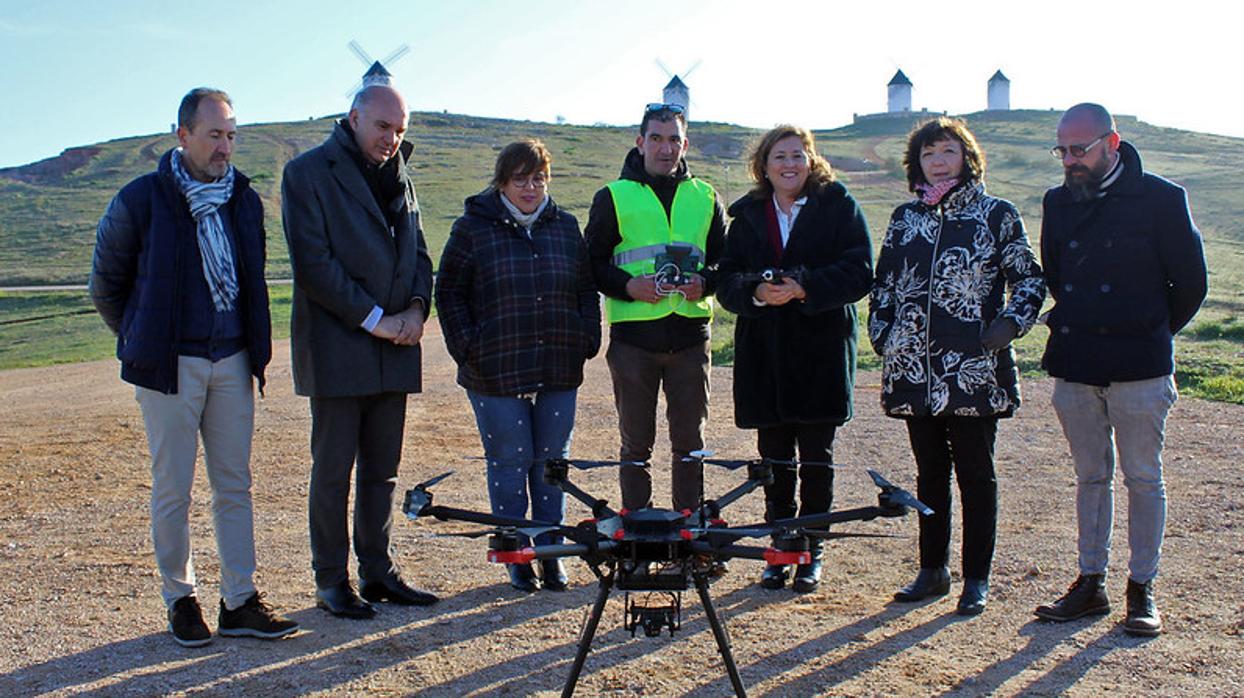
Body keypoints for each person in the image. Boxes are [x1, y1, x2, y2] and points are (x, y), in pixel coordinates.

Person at [89, 87, 298, 647]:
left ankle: (240, 601)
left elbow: (251, 281)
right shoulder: (141, 199)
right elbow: (106, 284)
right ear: (182, 136)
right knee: (173, 488)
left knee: (235, 484)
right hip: (169, 365)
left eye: (231, 135)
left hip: (231, 358)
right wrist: (143, 337)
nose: (225, 146)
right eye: (214, 135)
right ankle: (181, 600)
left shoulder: (244, 201)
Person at [1033, 103, 1207, 636]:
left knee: (1144, 478)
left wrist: (1148, 330)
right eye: (1061, 150)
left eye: (1078, 150)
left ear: (1112, 143)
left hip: (1141, 363)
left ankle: (1142, 589)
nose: (1069, 160)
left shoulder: (1162, 198)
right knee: (1090, 477)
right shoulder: (1057, 202)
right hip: (1079, 359)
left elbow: (1191, 285)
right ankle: (1091, 583)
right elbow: (1057, 275)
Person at [869, 117, 1046, 616]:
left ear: (967, 157)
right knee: (929, 474)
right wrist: (883, 333)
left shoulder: (997, 214)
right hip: (913, 367)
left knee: (976, 474)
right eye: (929, 154)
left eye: (947, 151)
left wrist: (1010, 324)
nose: (939, 161)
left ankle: (977, 577)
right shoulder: (904, 217)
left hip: (973, 368)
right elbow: (883, 283)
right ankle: (932, 570)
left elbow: (1029, 278)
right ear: (917, 163)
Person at [282, 84, 438, 619]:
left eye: (400, 130)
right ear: (353, 118)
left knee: (383, 472)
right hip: (338, 347)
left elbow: (419, 253)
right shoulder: (306, 174)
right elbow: (314, 264)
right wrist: (376, 320)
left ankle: (378, 571)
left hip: (395, 346)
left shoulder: (403, 177)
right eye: (383, 127)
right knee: (333, 473)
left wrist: (417, 309)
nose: (392, 139)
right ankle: (332, 580)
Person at [435, 139, 601, 592]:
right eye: (520, 180)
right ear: (502, 182)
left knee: (552, 463)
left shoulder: (566, 226)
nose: (531, 188)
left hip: (558, 362)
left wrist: (588, 336)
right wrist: (468, 347)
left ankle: (551, 550)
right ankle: (515, 552)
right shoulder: (472, 228)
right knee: (510, 462)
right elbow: (448, 292)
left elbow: (586, 288)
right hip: (495, 368)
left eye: (539, 178)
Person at [716, 125, 873, 593]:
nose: (789, 164)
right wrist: (757, 291)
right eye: (779, 156)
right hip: (766, 355)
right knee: (775, 458)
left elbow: (860, 269)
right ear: (763, 165)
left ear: (811, 160)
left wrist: (806, 286)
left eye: (798, 155)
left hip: (820, 352)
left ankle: (811, 551)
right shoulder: (745, 215)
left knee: (817, 458)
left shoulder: (838, 206)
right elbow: (725, 281)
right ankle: (779, 546)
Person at [584, 103, 727, 518]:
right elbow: (590, 264)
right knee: (635, 445)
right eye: (657, 139)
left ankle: (689, 528)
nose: (666, 149)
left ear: (685, 144)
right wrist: (628, 286)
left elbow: (728, 263)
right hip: (634, 342)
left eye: (674, 140)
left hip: (690, 339)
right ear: (640, 141)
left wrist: (707, 282)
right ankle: (638, 529)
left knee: (689, 444)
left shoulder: (705, 196)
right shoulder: (613, 196)